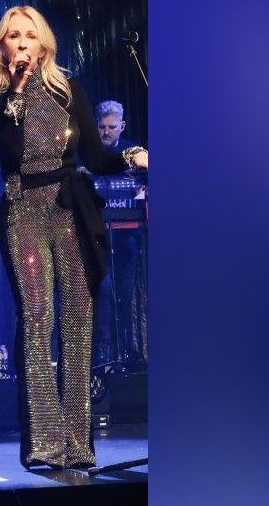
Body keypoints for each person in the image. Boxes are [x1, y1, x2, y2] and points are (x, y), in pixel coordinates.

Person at [0, 6, 147, 470]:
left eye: (31, 35)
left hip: (69, 208)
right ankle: (46, 444)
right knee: (37, 317)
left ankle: (78, 443)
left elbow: (95, 155)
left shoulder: (70, 92)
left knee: (79, 319)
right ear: (2, 46)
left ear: (45, 44)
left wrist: (131, 154)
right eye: (14, 36)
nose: (23, 43)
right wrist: (18, 87)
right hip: (24, 208)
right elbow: (8, 147)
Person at [93, 100, 146, 368]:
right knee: (102, 291)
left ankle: (128, 349)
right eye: (102, 127)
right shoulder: (87, 155)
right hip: (97, 237)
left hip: (127, 235)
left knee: (126, 292)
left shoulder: (134, 153)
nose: (106, 132)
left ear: (122, 126)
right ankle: (103, 352)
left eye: (112, 127)